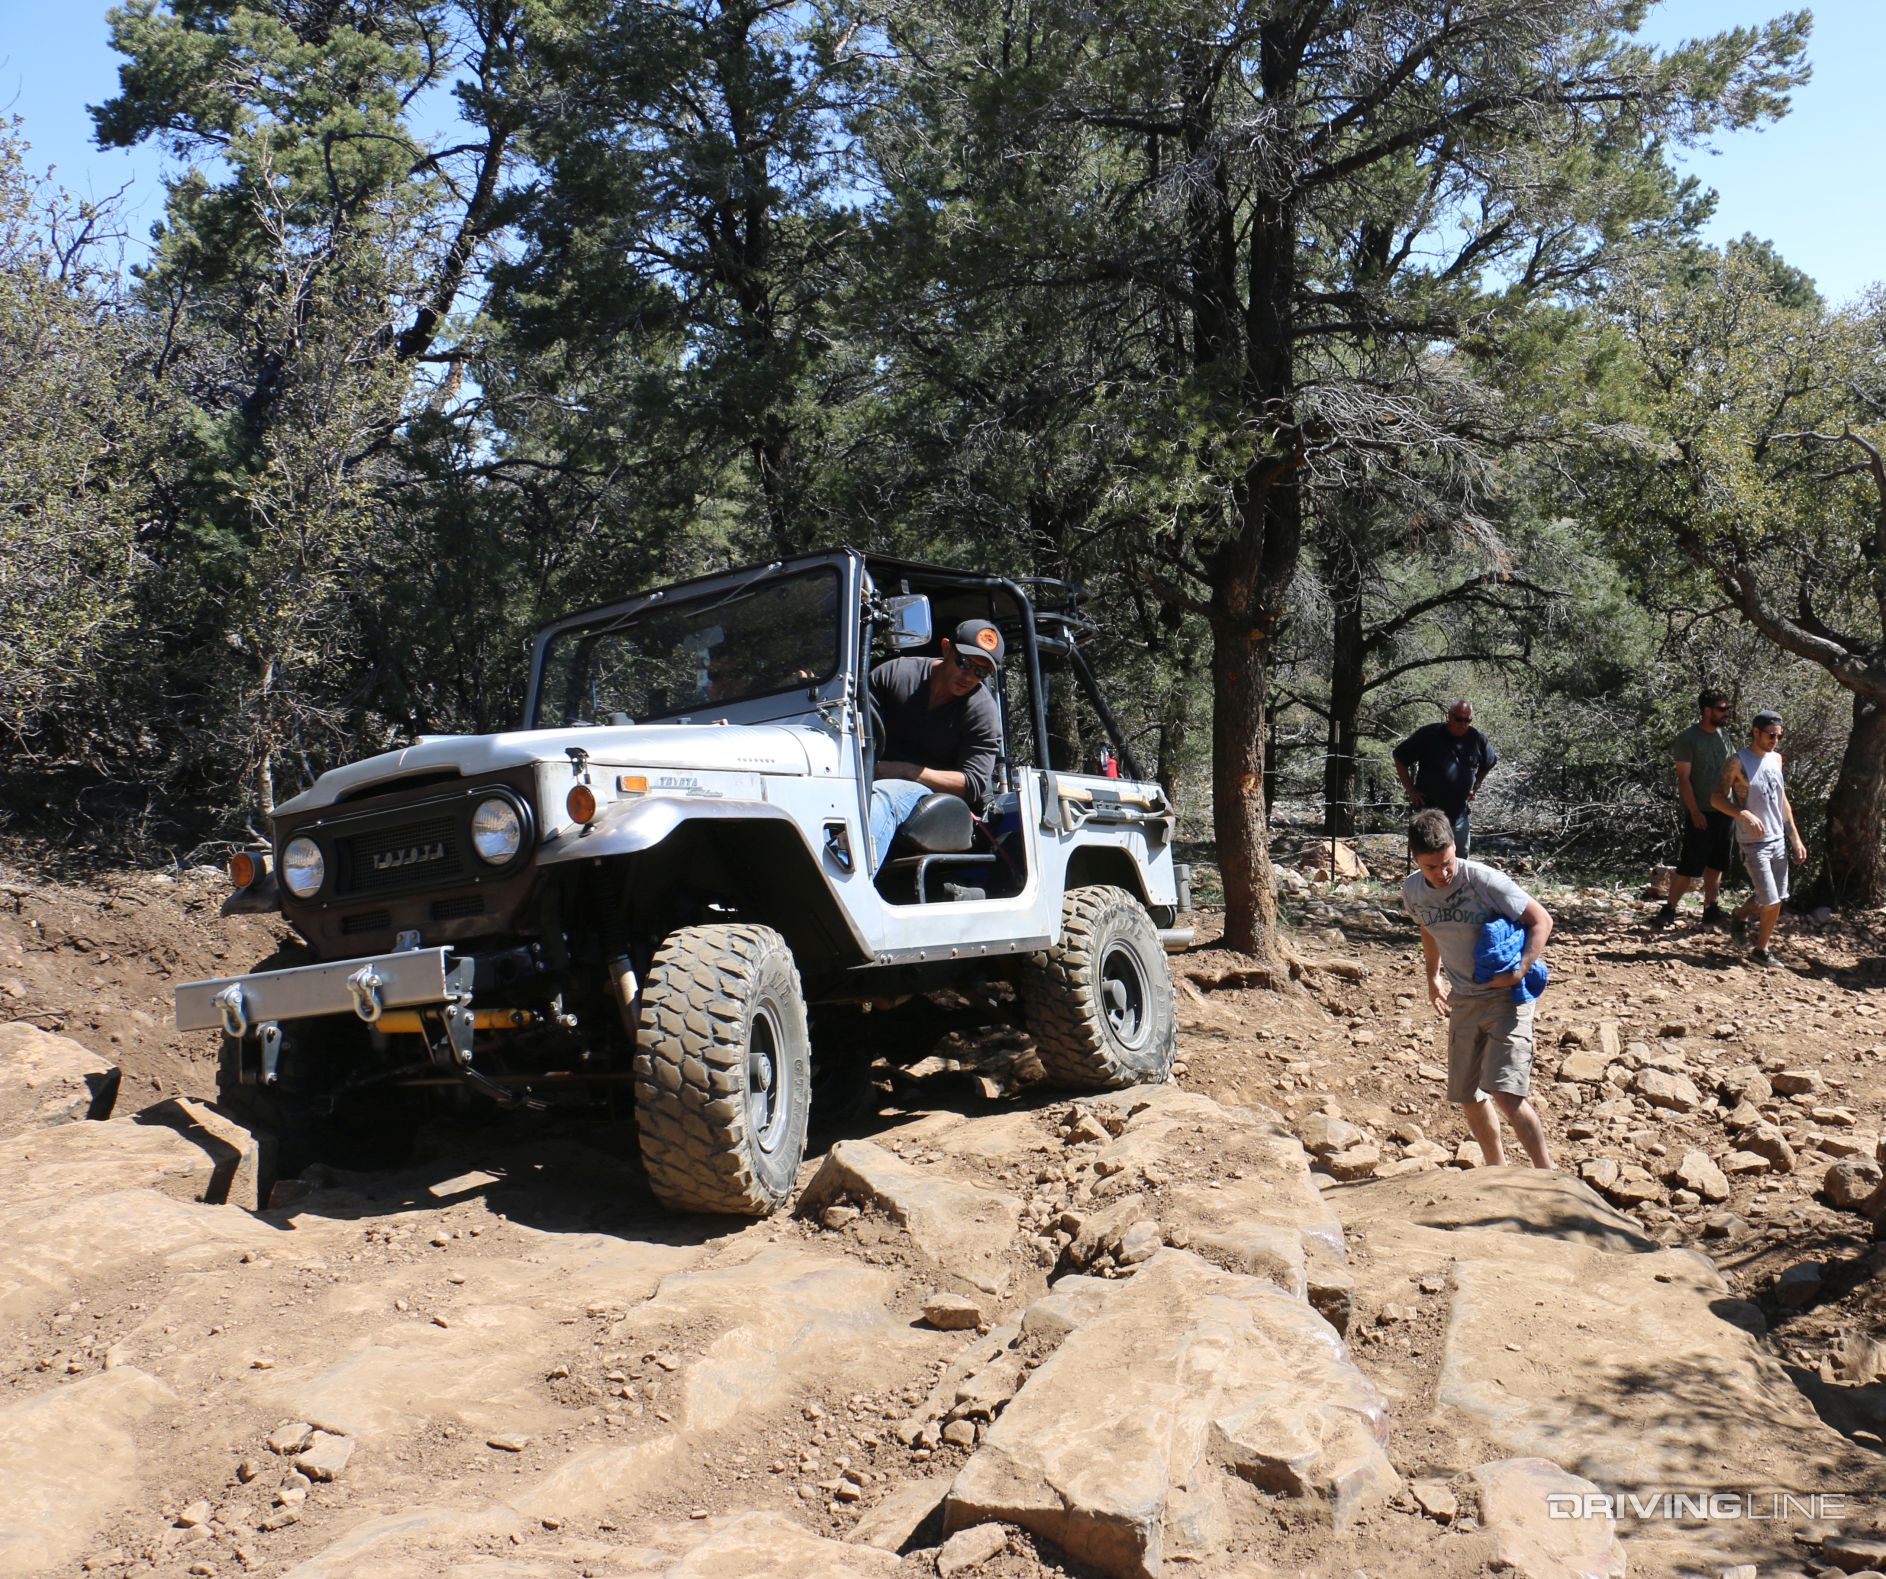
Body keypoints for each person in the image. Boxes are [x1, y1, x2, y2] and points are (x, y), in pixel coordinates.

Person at [1401, 807, 1555, 1169]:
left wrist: (1520, 970)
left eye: (1447, 862)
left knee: (1504, 1091)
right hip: (1465, 999)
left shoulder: (1484, 880)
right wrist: (1432, 976)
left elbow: (1541, 920)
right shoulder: (1413, 891)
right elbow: (1428, 926)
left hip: (1507, 997)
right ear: (1415, 860)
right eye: (1431, 867)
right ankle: (1496, 1173)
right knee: (1469, 1095)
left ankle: (1549, 1176)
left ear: (1455, 847)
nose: (1442, 873)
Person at [867, 620, 1003, 873]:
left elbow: (973, 783)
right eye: (964, 663)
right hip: (871, 773)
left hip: (931, 794)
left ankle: (850, 888)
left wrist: (906, 771)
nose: (969, 676)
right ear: (946, 649)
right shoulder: (895, 675)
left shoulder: (982, 711)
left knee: (881, 797)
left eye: (980, 672)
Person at [1711, 711, 1806, 969]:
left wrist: (1794, 837)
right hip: (1753, 842)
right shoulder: (1737, 762)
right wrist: (1741, 813)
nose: (1775, 740)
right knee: (1771, 900)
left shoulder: (1776, 759)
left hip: (1778, 840)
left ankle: (1740, 915)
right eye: (1770, 735)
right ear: (1756, 732)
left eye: (1778, 736)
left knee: (1776, 896)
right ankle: (1761, 951)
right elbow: (1716, 798)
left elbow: (1781, 800)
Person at [1651, 687, 1734, 930]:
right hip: (1702, 812)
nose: (1726, 713)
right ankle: (1669, 909)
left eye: (1727, 709)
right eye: (1721, 709)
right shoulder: (1688, 738)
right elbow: (1683, 778)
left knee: (1717, 863)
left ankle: (1711, 908)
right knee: (1689, 865)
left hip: (1725, 810)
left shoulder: (1724, 736)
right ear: (1706, 710)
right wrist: (1695, 811)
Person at [1393, 701, 1498, 854]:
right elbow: (1400, 757)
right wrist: (1410, 789)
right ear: (1449, 716)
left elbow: (1489, 762)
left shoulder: (1477, 739)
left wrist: (1476, 785)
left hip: (1459, 814)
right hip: (1429, 813)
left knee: (1460, 860)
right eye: (1458, 719)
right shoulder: (1429, 734)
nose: (1462, 724)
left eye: (1467, 720)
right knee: (1431, 858)